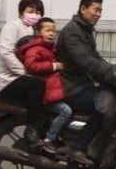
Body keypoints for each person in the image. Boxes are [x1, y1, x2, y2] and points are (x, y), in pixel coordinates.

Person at [56, 0, 116, 167]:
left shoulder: (85, 31)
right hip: (71, 87)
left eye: (100, 11)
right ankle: (78, 148)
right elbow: (86, 61)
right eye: (96, 10)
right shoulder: (73, 31)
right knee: (106, 105)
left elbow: (96, 59)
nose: (98, 14)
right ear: (83, 9)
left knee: (111, 97)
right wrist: (115, 73)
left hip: (82, 83)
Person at [0, 0, 48, 148]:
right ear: (21, 12)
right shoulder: (13, 26)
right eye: (30, 11)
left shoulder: (34, 31)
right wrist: (24, 71)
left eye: (38, 12)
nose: (34, 15)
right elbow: (6, 52)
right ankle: (32, 130)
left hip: (26, 77)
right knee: (38, 86)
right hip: (9, 81)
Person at [16, 17, 73, 158]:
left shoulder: (50, 49)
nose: (51, 33)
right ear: (38, 32)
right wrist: (53, 66)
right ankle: (48, 140)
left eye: (53, 31)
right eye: (48, 30)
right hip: (44, 94)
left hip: (51, 91)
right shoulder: (35, 48)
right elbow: (31, 66)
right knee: (65, 111)